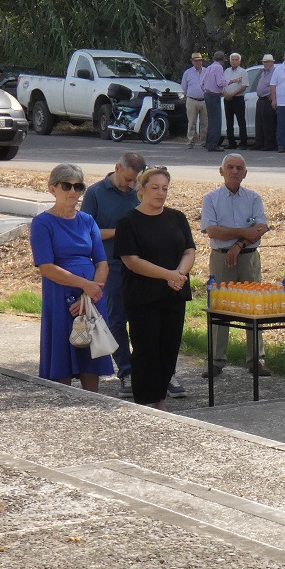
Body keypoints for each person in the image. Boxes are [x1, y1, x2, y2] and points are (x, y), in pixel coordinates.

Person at [114, 167, 196, 409]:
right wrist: (168, 275)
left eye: (165, 188)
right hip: (143, 297)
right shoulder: (128, 222)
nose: (161, 193)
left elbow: (189, 250)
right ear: (141, 189)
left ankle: (160, 401)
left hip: (174, 293)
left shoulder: (177, 217)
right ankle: (145, 402)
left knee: (168, 350)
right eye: (155, 188)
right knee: (146, 351)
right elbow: (132, 261)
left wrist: (179, 274)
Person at [30, 164, 113, 392]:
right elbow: (46, 267)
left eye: (78, 187)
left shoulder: (87, 220)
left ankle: (92, 401)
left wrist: (89, 295)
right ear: (52, 188)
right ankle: (62, 400)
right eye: (67, 186)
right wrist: (84, 285)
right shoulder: (42, 223)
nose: (73, 191)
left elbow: (102, 262)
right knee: (61, 352)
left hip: (91, 295)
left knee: (91, 353)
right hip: (60, 294)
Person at [81, 151, 153, 399]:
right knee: (116, 320)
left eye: (135, 181)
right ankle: (126, 371)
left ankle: (153, 371)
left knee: (144, 319)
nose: (131, 185)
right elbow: (86, 231)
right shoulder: (95, 193)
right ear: (117, 168)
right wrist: (119, 232)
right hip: (110, 266)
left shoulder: (139, 192)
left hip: (141, 266)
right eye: (128, 179)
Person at [200, 153, 271, 377]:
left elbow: (261, 228)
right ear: (221, 171)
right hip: (221, 259)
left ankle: (256, 359)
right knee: (221, 307)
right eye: (230, 167)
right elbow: (213, 231)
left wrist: (238, 244)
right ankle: (216, 360)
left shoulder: (254, 198)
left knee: (254, 307)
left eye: (239, 168)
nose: (234, 171)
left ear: (245, 173)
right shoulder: (211, 199)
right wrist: (244, 232)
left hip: (248, 257)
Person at [202, 50, 228, 152]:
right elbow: (220, 82)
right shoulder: (218, 67)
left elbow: (202, 82)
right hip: (214, 95)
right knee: (216, 121)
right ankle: (213, 144)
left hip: (207, 94)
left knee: (211, 120)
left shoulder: (209, 67)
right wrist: (230, 81)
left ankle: (208, 142)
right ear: (222, 59)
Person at [223, 53, 250, 150]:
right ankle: (231, 142)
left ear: (239, 61)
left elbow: (243, 87)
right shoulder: (226, 71)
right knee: (229, 121)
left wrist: (232, 94)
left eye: (236, 60)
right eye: (232, 60)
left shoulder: (243, 72)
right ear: (230, 61)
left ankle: (243, 143)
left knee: (241, 121)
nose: (234, 61)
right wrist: (225, 94)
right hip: (227, 99)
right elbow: (222, 84)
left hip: (238, 99)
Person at [181, 52, 207, 149]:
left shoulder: (206, 71)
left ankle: (204, 141)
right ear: (192, 62)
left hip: (204, 100)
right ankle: (190, 141)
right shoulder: (187, 73)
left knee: (205, 122)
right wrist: (189, 95)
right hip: (192, 99)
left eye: (199, 61)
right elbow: (184, 87)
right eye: (196, 61)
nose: (198, 62)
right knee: (191, 122)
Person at [254, 54, 278, 152]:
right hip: (260, 99)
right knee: (259, 123)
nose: (265, 63)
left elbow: (277, 85)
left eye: (267, 62)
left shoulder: (275, 72)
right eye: (264, 62)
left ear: (272, 62)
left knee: (268, 123)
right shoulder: (263, 72)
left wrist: (273, 97)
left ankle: (269, 144)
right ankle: (259, 143)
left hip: (268, 99)